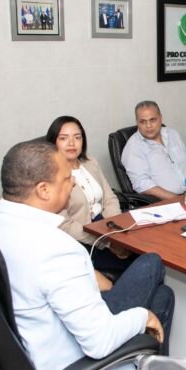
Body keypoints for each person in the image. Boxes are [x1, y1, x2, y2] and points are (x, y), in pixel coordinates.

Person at [0, 141, 174, 370]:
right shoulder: (56, 248)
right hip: (73, 366)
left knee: (163, 295)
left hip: (23, 342)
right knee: (152, 267)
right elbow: (100, 342)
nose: (74, 182)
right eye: (67, 178)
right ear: (44, 190)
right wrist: (143, 317)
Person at [46, 115, 137, 275]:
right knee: (136, 263)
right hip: (82, 239)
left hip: (107, 225)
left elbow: (109, 198)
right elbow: (64, 224)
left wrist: (115, 231)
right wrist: (107, 242)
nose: (72, 143)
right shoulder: (50, 176)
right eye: (64, 138)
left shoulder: (90, 162)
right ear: (53, 142)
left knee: (147, 247)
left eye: (77, 137)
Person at [122, 101, 186, 200]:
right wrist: (176, 199)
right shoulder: (133, 146)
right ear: (137, 122)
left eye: (153, 120)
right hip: (168, 201)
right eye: (143, 122)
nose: (148, 126)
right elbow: (141, 184)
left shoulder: (172, 134)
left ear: (161, 118)